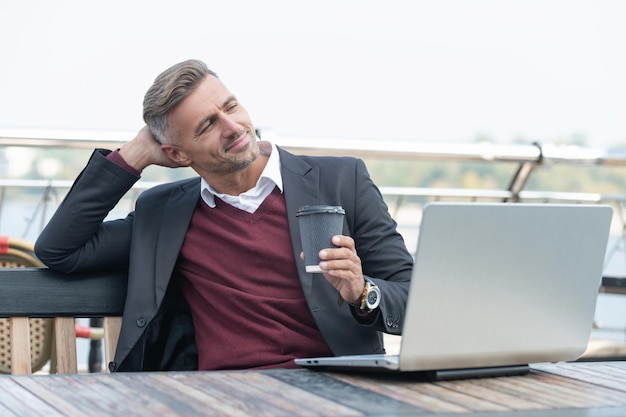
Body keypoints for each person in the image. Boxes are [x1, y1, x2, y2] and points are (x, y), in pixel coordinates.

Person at [34, 59, 414, 372]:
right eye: (207, 125)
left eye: (230, 107)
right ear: (178, 155)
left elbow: (412, 294)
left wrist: (362, 292)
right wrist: (134, 155)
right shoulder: (164, 213)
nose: (233, 128)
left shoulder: (341, 180)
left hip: (336, 391)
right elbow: (60, 249)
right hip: (217, 398)